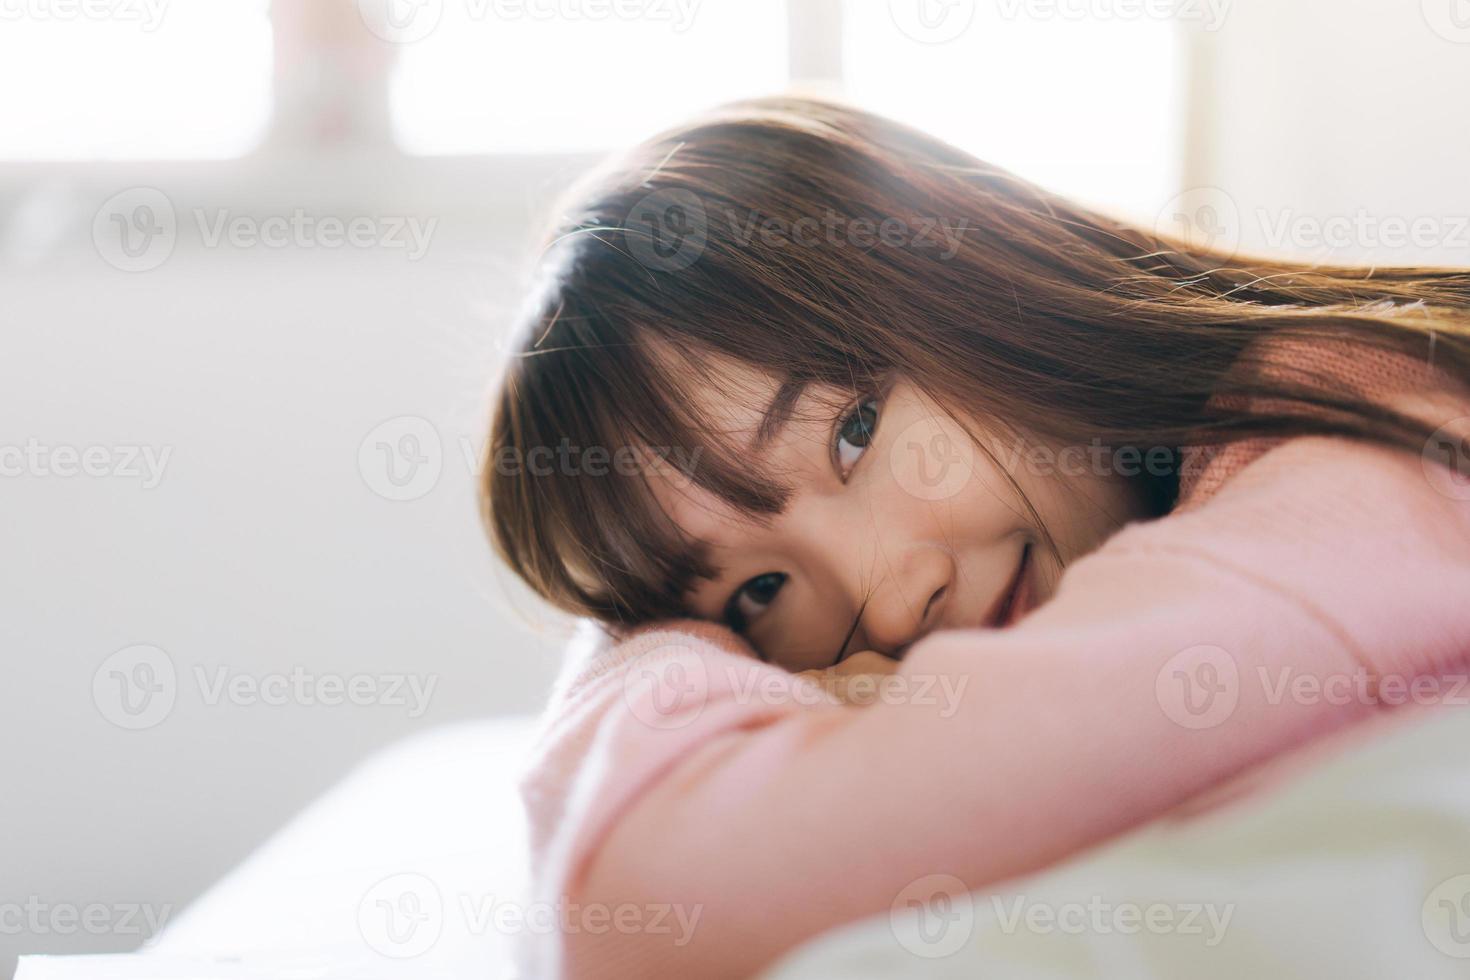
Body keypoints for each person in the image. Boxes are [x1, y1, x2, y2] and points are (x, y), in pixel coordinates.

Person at [482, 96, 1470, 977]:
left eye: (853, 430)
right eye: (761, 593)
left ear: (980, 277)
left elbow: (648, 896)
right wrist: (634, 624)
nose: (887, 595)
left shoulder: (1358, 430)